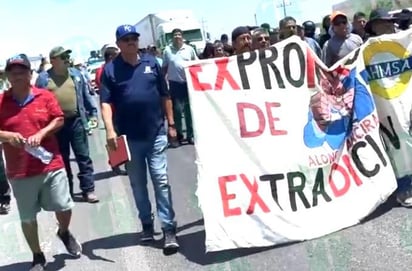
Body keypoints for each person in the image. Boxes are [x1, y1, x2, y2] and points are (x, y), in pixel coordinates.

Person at [100, 24, 179, 255]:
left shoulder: (151, 63)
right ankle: (146, 224)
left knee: (161, 181)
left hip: (155, 134)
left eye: (134, 38)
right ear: (118, 44)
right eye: (126, 40)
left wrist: (171, 124)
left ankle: (168, 229)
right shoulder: (110, 70)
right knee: (138, 185)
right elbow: (105, 102)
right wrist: (109, 130)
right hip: (129, 139)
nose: (131, 42)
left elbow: (165, 95)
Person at [0, 54, 81, 271]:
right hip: (20, 171)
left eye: (21, 72)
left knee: (64, 206)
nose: (17, 76)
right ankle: (37, 255)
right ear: (8, 76)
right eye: (13, 72)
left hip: (50, 164)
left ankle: (63, 231)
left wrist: (43, 132)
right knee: (27, 218)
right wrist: (7, 136)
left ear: (30, 74)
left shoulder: (44, 96)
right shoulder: (1, 102)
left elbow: (59, 119)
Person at [35, 46, 99, 203]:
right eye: (62, 57)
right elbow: (37, 103)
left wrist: (93, 114)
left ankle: (88, 190)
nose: (66, 59)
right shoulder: (43, 79)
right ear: (53, 61)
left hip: (76, 121)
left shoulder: (75, 75)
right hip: (56, 125)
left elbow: (86, 96)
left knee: (83, 156)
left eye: (66, 56)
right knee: (62, 160)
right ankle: (67, 191)